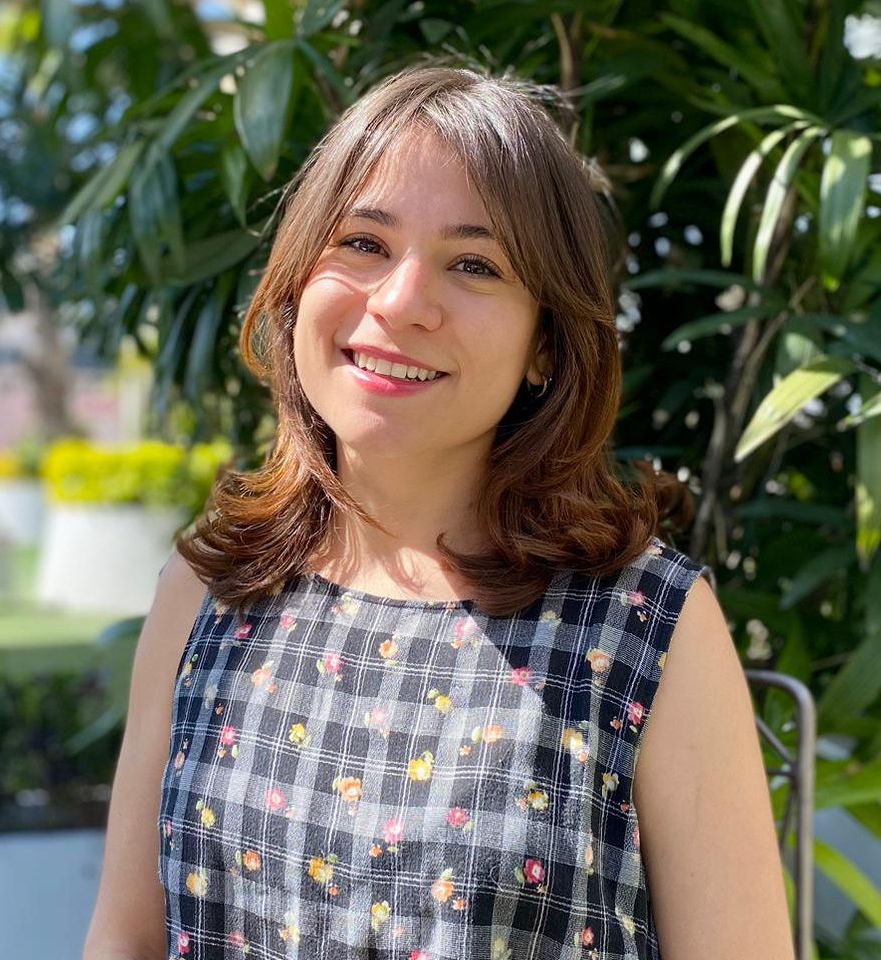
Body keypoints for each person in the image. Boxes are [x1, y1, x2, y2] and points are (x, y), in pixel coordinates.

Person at [83, 65, 795, 960]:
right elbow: (126, 937)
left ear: (545, 344)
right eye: (364, 243)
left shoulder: (646, 625)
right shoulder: (207, 590)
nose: (399, 302)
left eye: (474, 264)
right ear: (297, 281)